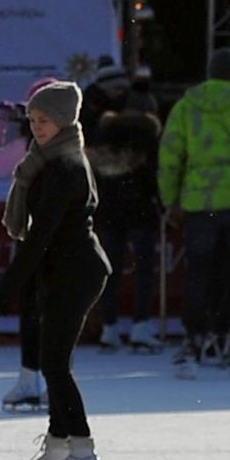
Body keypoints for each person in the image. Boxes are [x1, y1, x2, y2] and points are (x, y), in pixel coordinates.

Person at [0, 79, 111, 460]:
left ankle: (81, 449)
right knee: (52, 361)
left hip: (77, 270)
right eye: (31, 119)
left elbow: (43, 231)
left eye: (43, 120)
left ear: (64, 120)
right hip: (65, 269)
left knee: (54, 364)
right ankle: (59, 445)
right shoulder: (47, 159)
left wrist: (11, 281)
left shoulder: (66, 166)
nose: (35, 127)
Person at [158, 48, 230, 374]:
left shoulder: (185, 108)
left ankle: (195, 341)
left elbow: (170, 158)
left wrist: (171, 200)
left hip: (200, 203)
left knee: (199, 273)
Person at [91, 79, 164, 351]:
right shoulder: (150, 136)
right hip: (142, 208)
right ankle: (140, 325)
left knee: (110, 270)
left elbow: (97, 169)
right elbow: (158, 173)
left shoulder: (105, 132)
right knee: (144, 269)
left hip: (110, 209)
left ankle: (109, 327)